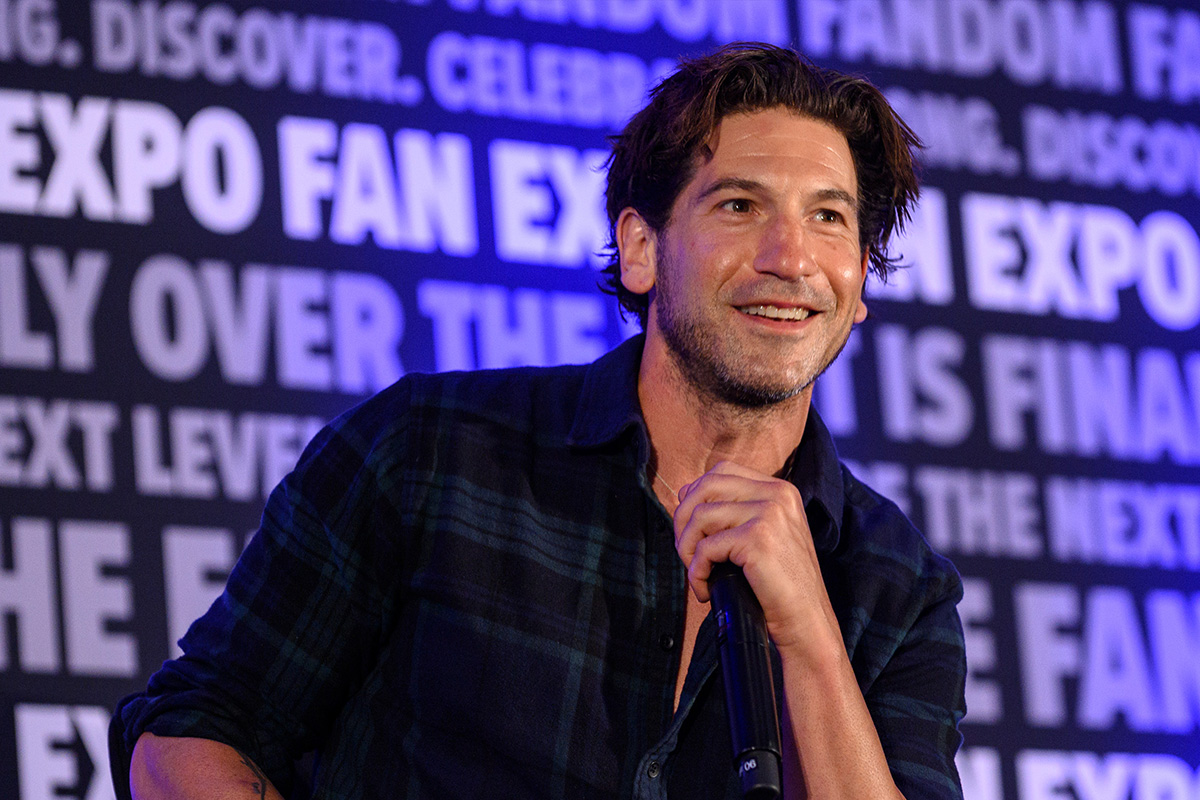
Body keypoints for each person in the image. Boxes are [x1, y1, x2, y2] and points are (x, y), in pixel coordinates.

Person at [112, 43, 966, 799]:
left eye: (828, 217)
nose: (790, 258)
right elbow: (193, 727)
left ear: (857, 280)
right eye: (740, 206)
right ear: (639, 249)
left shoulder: (897, 589)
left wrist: (809, 635)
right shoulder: (428, 452)